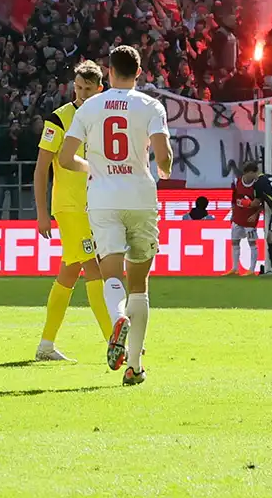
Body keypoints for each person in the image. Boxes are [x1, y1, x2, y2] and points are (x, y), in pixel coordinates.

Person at [59, 45, 173, 387]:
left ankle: (117, 317)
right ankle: (135, 367)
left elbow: (65, 158)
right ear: (139, 73)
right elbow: (163, 155)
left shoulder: (90, 106)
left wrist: (92, 166)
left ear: (108, 72)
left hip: (103, 198)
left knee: (110, 272)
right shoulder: (151, 105)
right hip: (140, 196)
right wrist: (164, 169)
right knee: (140, 284)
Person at [31, 61, 112, 362]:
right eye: (77, 87)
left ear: (99, 89)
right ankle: (113, 342)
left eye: (87, 89)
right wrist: (42, 213)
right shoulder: (60, 118)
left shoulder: (102, 118)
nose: (80, 94)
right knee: (95, 269)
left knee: (69, 272)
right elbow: (41, 169)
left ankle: (46, 345)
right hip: (70, 206)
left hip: (94, 205)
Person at [224, 173, 259, 275]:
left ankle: (251, 270)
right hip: (238, 218)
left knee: (252, 243)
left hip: (249, 220)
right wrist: (233, 214)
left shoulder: (257, 185)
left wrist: (256, 214)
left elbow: (261, 202)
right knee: (235, 242)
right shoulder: (237, 182)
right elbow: (234, 200)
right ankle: (235, 269)